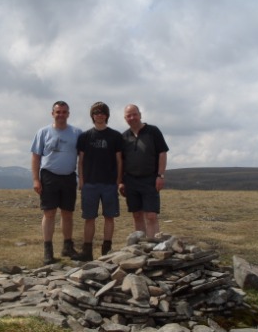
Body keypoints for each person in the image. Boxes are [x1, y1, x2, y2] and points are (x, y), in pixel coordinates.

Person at [31, 100, 82, 265]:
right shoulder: (43, 132)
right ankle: (48, 250)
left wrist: (82, 178)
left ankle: (67, 246)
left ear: (68, 114)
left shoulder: (77, 133)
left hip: (68, 176)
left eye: (64, 112)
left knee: (67, 213)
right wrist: (36, 179)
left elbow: (82, 158)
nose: (61, 115)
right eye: (58, 112)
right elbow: (36, 156)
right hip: (49, 176)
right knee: (49, 213)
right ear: (52, 113)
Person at [71, 102, 123, 262]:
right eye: (96, 112)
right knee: (89, 218)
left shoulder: (115, 136)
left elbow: (120, 161)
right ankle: (87, 251)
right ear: (92, 116)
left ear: (107, 115)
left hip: (109, 184)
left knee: (109, 217)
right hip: (90, 184)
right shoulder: (85, 137)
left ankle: (107, 250)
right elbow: (80, 161)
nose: (99, 115)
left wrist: (118, 181)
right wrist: (81, 181)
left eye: (102, 112)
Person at [119, 104, 169, 239]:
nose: (132, 117)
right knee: (137, 215)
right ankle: (141, 249)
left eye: (134, 114)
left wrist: (160, 175)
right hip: (130, 180)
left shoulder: (153, 131)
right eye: (128, 115)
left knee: (151, 216)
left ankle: (153, 247)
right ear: (125, 118)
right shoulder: (123, 137)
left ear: (140, 115)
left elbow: (162, 153)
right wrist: (121, 182)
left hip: (150, 179)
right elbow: (121, 161)